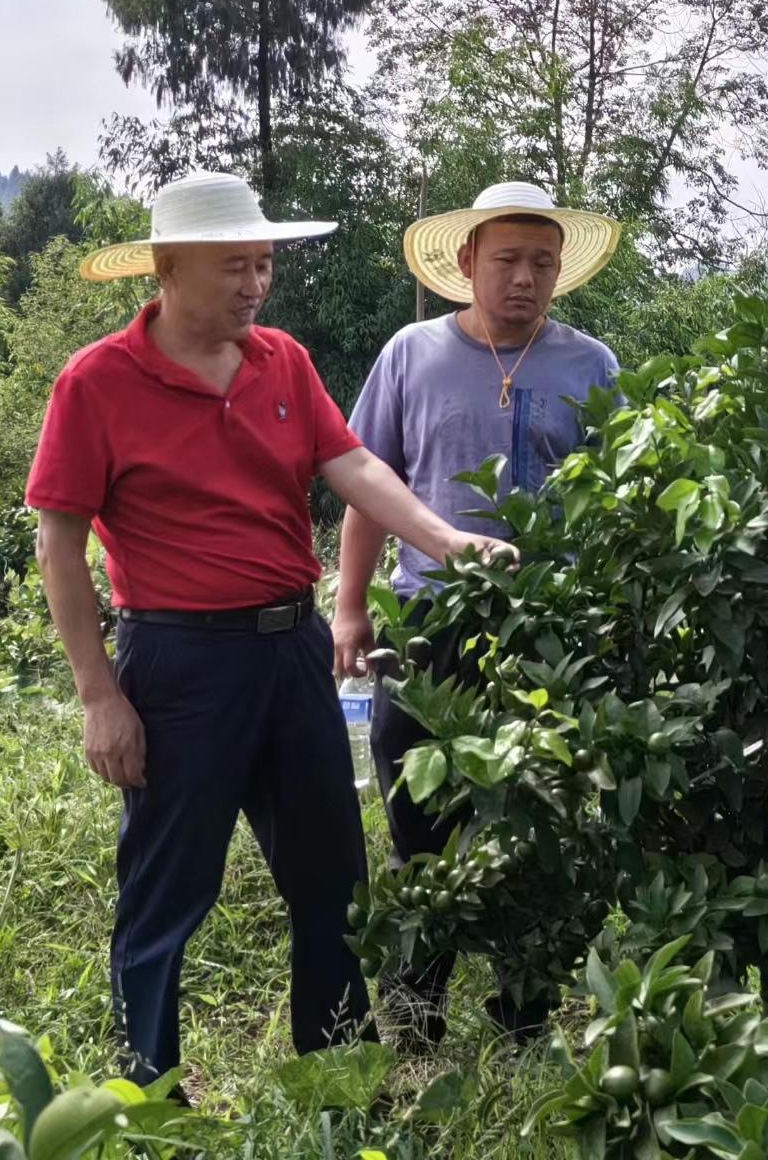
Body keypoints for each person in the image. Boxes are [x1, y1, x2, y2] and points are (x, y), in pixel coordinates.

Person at [24, 169, 512, 1086]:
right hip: (177, 662)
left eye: (263, 265)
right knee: (167, 893)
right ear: (166, 271)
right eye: (233, 267)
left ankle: (334, 1075)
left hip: (291, 653)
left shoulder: (281, 361)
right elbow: (61, 544)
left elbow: (352, 464)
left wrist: (447, 539)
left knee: (332, 880)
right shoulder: (96, 383)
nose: (254, 285)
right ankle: (146, 1095)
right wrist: (99, 695)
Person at [332, 180, 625, 1044]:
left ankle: (521, 1022)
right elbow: (364, 488)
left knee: (531, 827)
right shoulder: (410, 356)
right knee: (418, 826)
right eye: (507, 260)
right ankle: (415, 1021)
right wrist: (350, 608)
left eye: (542, 261)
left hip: (548, 637)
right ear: (466, 263)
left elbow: (620, 502)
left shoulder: (590, 365)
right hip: (428, 627)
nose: (526, 278)